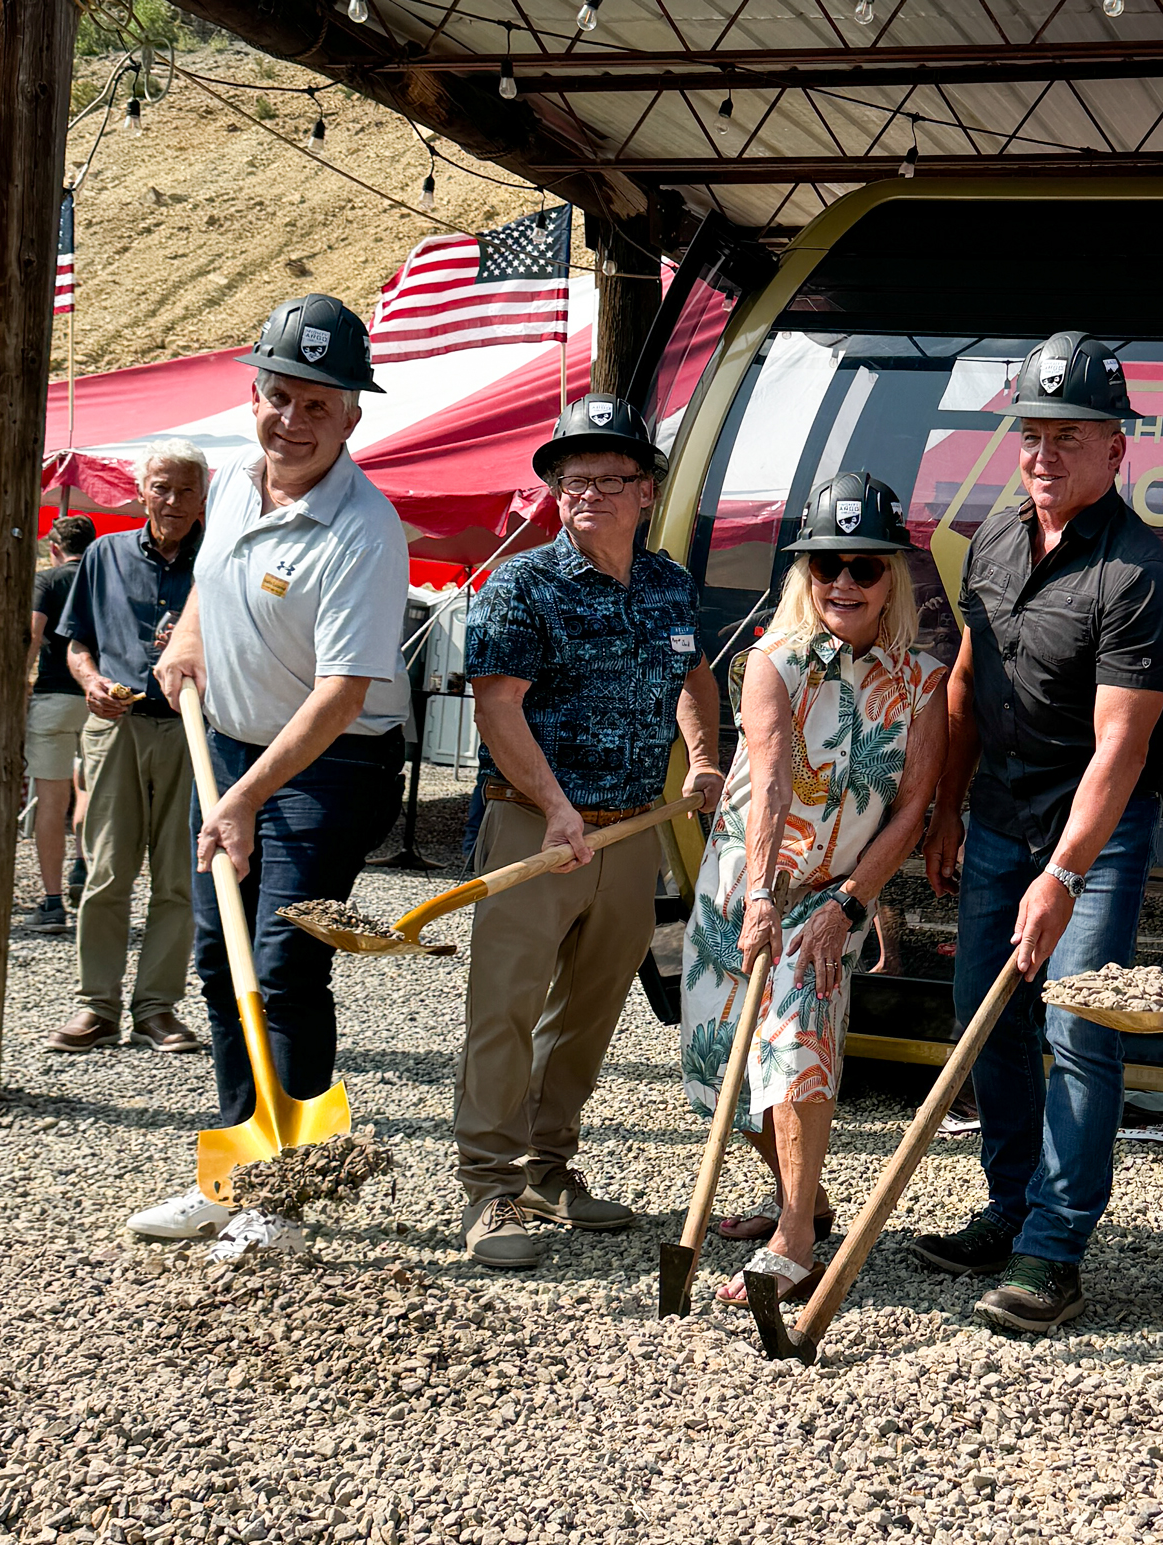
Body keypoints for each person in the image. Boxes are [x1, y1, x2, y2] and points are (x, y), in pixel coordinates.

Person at [912, 331, 1163, 1333]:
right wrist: (947, 810)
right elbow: (964, 687)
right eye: (1030, 435)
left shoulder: (1139, 574)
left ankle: (1053, 1251)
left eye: (1066, 438)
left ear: (1117, 450)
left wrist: (1063, 875)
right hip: (998, 818)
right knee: (985, 1014)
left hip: (1095, 837)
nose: (1041, 456)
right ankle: (1010, 1202)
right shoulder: (991, 536)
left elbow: (1119, 750)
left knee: (1079, 1030)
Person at [129, 295, 411, 1243]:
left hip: (334, 764)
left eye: (315, 406)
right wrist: (189, 646)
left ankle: (290, 1194)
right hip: (235, 745)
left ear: (351, 417)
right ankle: (236, 1165)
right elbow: (212, 582)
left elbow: (340, 694)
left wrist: (246, 799)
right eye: (278, 396)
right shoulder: (237, 485)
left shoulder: (364, 532)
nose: (290, 420)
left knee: (284, 966)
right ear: (255, 393)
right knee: (220, 959)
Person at [453, 394, 725, 1270]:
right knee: (505, 1009)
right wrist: (555, 804)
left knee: (590, 1010)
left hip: (633, 829)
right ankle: (489, 1189)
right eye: (573, 480)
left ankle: (549, 1167)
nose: (589, 495)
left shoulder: (669, 583)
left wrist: (703, 757)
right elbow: (499, 706)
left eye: (610, 479)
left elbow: (693, 677)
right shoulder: (519, 586)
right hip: (535, 828)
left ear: (647, 491)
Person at [681, 472, 947, 1302]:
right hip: (744, 883)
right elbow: (767, 784)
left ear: (891, 577)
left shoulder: (924, 681)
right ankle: (807, 1197)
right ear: (805, 574)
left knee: (796, 1050)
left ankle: (796, 1240)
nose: (843, 581)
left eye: (863, 566)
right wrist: (760, 893)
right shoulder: (773, 661)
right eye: (825, 562)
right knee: (719, 1063)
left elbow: (910, 810)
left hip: (833, 894)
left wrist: (848, 903)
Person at [48, 441, 208, 1056]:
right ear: (141, 491)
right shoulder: (104, 556)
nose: (171, 501)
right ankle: (96, 1007)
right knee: (108, 870)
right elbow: (75, 642)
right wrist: (91, 683)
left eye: (185, 490)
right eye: (161, 488)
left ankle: (157, 1009)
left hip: (192, 729)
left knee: (177, 877)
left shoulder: (220, 558)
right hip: (115, 725)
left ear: (202, 497)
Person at [24, 514, 96, 934]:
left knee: (50, 802)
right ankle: (82, 868)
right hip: (95, 694)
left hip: (52, 694)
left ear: (54, 547)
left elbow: (34, 634)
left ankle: (52, 903)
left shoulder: (48, 580)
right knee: (87, 789)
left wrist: (21, 686)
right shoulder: (103, 574)